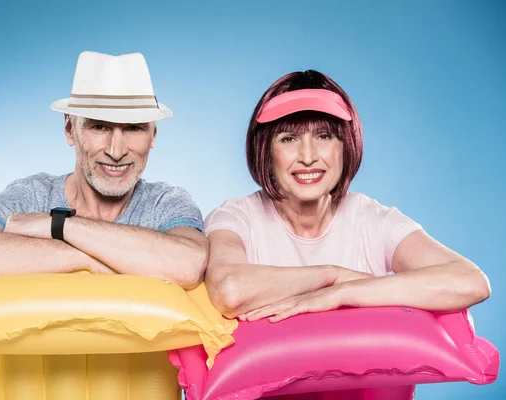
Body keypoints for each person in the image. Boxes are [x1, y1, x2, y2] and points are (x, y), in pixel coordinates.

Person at [205, 70, 491, 323]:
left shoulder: (373, 221)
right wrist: (331, 276)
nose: (308, 157)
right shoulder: (237, 217)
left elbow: (470, 282)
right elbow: (230, 290)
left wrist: (343, 293)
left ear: (346, 145)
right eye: (289, 139)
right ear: (266, 150)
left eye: (324, 136)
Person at [0, 51, 208, 289]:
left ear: (153, 135)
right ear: (70, 129)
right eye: (99, 126)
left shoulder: (166, 203)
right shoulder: (33, 196)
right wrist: (88, 259)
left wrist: (61, 226)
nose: (116, 151)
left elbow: (189, 265)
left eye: (133, 128)